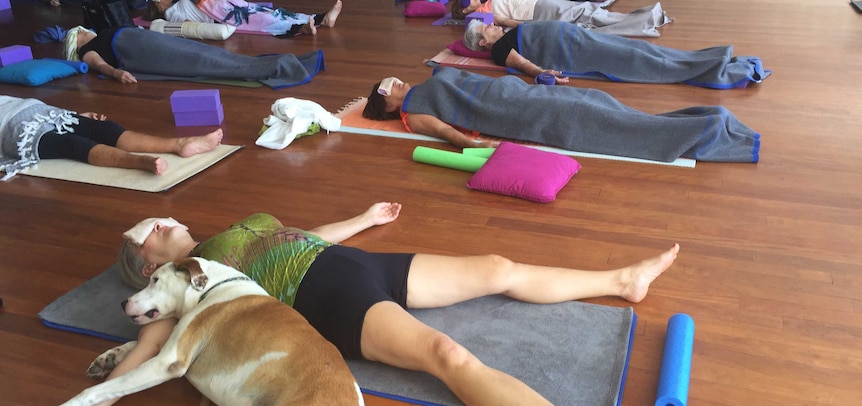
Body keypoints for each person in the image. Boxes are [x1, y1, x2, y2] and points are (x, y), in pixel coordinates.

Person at [25, 203, 679, 406]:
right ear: (148, 261)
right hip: (326, 298)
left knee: (499, 269)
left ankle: (621, 280)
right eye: (155, 227)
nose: (165, 218)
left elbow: (302, 236)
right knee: (445, 354)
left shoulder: (233, 229)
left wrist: (362, 219)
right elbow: (148, 350)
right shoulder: (181, 283)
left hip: (353, 263)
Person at [362, 68, 762, 163]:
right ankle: (705, 131)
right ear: (388, 106)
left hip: (517, 92)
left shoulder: (433, 75)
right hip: (516, 113)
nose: (394, 83)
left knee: (599, 101)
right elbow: (451, 136)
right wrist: (485, 147)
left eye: (392, 78)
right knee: (593, 118)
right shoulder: (413, 114)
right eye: (386, 87)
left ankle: (699, 121)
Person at [463, 19, 769, 89]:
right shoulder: (501, 50)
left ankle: (711, 59)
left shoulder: (505, 32)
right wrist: (543, 74)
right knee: (638, 60)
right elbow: (525, 64)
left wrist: (503, 22)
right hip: (573, 51)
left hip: (575, 35)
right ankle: (715, 69)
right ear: (482, 41)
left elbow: (527, 25)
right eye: (486, 28)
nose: (492, 26)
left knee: (641, 48)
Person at [0, 94, 223, 179]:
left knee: (105, 129)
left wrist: (77, 116)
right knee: (74, 144)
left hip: (41, 111)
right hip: (14, 132)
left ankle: (181, 144)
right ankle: (138, 161)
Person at [63, 25, 323, 88]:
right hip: (144, 52)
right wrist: (117, 73)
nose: (85, 30)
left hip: (148, 40)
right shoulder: (88, 51)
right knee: (202, 61)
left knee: (204, 52)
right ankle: (276, 65)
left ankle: (277, 62)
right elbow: (101, 66)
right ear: (77, 38)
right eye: (81, 31)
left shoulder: (100, 35)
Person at [453, 0, 670, 38]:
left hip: (537, 5)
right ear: (465, 11)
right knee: (586, 15)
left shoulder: (485, 4)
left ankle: (645, 18)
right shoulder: (478, 15)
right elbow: (503, 21)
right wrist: (525, 26)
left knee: (585, 12)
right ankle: (646, 19)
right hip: (535, 13)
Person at [147, 0, 343, 38]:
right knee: (263, 20)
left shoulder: (180, 2)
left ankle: (320, 19)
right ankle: (301, 28)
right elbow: (189, 27)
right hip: (222, 16)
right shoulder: (172, 13)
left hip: (228, 6)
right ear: (157, 5)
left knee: (267, 11)